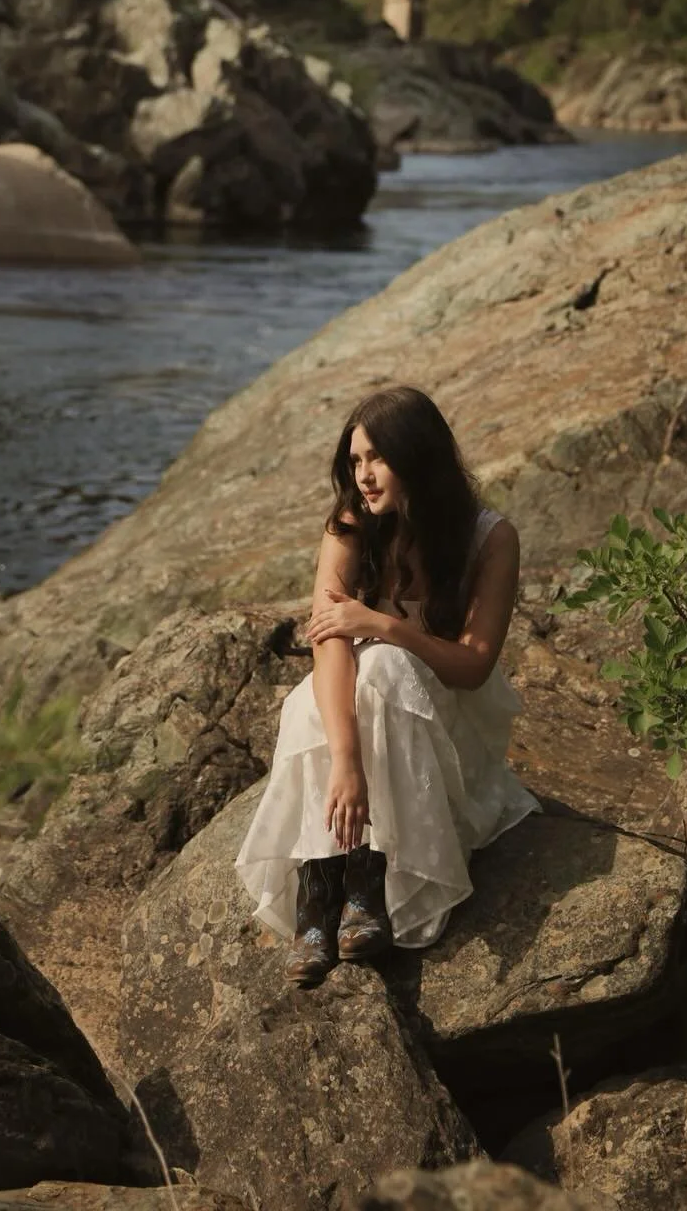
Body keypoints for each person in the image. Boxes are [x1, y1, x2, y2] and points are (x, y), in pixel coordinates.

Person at [234, 383, 540, 985]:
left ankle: (367, 881)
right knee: (309, 702)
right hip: (367, 715)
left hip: (449, 719)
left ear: (417, 456)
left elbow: (473, 667)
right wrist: (346, 761)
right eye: (355, 461)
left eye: (377, 458)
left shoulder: (490, 538)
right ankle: (321, 890)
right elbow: (328, 646)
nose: (364, 476)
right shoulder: (351, 526)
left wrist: (383, 625)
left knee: (383, 663)